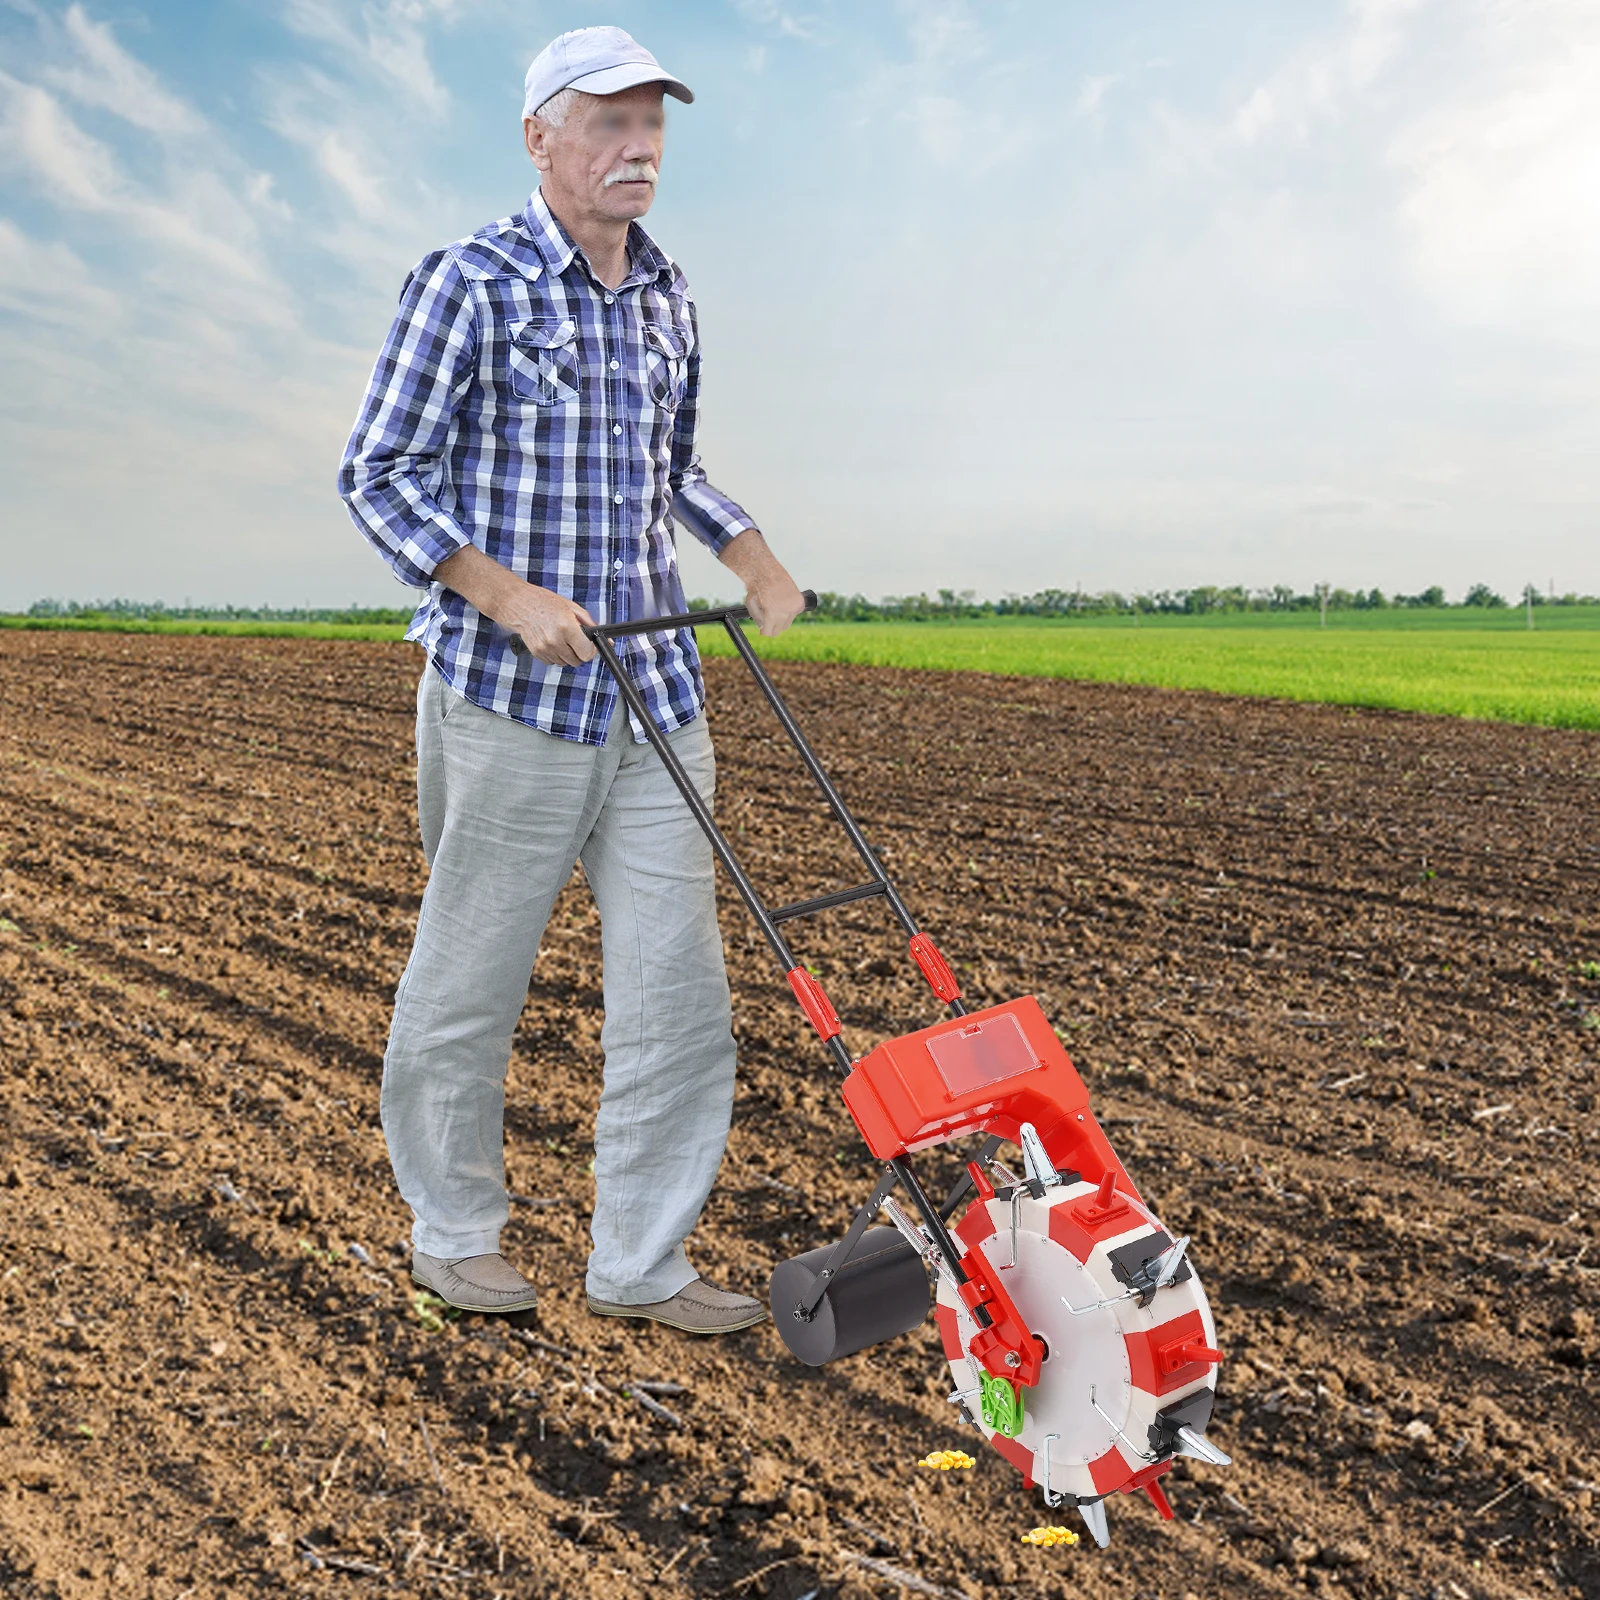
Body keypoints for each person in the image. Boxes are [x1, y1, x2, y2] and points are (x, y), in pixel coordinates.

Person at [337, 25, 805, 1334]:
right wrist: (501, 593)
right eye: (607, 121)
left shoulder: (668, 293)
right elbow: (377, 472)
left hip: (655, 695)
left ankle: (640, 1262)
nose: (639, 144)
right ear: (539, 137)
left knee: (678, 988)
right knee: (470, 976)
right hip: (510, 698)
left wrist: (749, 546)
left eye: (653, 119)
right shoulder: (469, 281)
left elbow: (672, 469)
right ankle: (456, 1232)